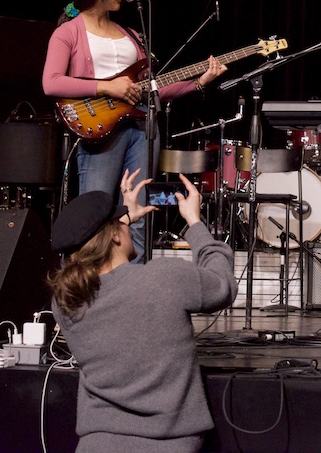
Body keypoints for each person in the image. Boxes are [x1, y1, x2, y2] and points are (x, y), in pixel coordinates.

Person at [43, 0, 227, 262]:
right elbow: (51, 83)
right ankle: (90, 296)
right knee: (95, 217)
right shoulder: (69, 31)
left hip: (141, 129)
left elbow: (153, 87)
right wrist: (105, 86)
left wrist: (199, 82)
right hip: (100, 131)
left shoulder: (131, 34)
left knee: (138, 214)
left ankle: (136, 289)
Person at [47, 169, 237, 452]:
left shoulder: (66, 300)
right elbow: (222, 285)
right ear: (113, 235)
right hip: (167, 445)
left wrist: (118, 224)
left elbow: (100, 269)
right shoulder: (163, 278)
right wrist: (195, 223)